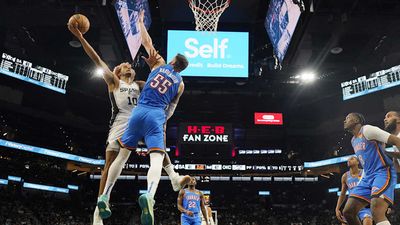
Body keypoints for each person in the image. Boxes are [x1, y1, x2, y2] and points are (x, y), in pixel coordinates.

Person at [67, 21, 189, 224]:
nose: (129, 67)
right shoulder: (114, 82)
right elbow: (97, 60)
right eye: (125, 66)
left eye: (131, 66)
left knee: (126, 157)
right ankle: (103, 207)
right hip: (128, 122)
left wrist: (140, 23)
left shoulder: (142, 82)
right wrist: (81, 38)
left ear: (173, 60)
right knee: (121, 161)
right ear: (117, 71)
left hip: (137, 117)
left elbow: (150, 57)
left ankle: (172, 177)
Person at [342, 113, 399, 225]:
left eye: (347, 118)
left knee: (376, 210)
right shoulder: (353, 140)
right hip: (367, 176)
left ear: (356, 120)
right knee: (348, 212)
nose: (344, 121)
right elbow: (366, 163)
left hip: (382, 172)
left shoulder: (368, 130)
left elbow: (396, 141)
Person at [335, 156, 372, 225]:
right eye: (348, 160)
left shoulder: (365, 173)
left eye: (352, 159)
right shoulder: (345, 176)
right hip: (351, 206)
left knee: (367, 222)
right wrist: (337, 208)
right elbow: (342, 194)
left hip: (364, 206)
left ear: (358, 162)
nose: (349, 160)